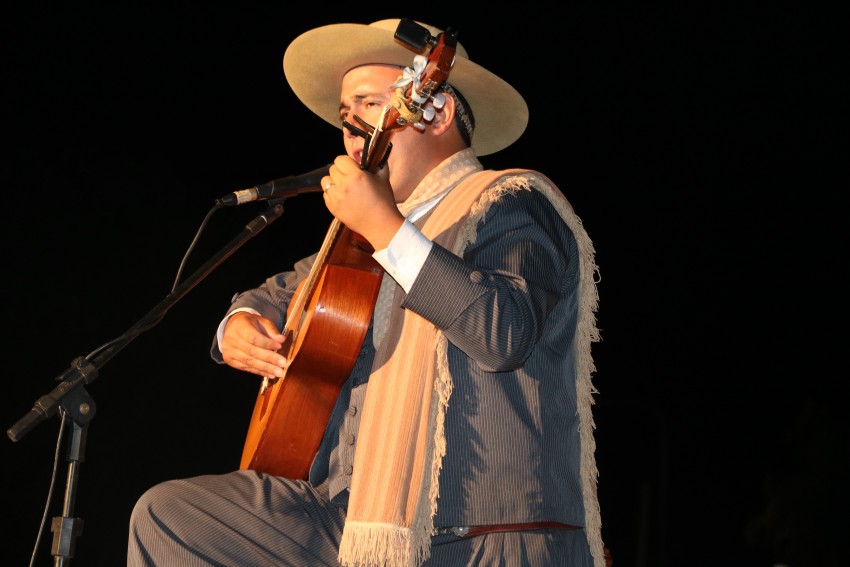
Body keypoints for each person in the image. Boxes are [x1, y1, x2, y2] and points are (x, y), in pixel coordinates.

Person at [128, 18, 604, 567]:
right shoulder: (361, 240)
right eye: (344, 117)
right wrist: (239, 320)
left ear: (436, 110)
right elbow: (283, 290)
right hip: (351, 519)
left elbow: (504, 332)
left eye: (370, 106)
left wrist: (387, 229)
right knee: (172, 517)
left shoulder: (509, 202)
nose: (352, 130)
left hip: (471, 533)